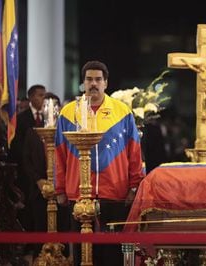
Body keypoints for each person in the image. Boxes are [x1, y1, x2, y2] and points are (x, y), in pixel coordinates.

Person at [55, 60, 144, 266]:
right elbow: (58, 154)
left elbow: (135, 153)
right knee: (81, 254)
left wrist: (134, 186)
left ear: (106, 83)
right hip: (78, 195)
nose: (93, 83)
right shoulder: (68, 113)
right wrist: (60, 188)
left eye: (97, 79)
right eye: (89, 79)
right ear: (83, 83)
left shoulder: (122, 112)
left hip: (114, 194)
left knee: (112, 255)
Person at [21, 92, 70, 259]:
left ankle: (62, 259)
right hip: (39, 189)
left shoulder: (67, 133)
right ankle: (40, 259)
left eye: (55, 106)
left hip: (62, 189)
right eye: (48, 106)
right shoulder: (33, 132)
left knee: (63, 227)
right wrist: (38, 180)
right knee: (40, 228)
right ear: (43, 109)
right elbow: (26, 160)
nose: (52, 110)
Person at [8, 84, 46, 259]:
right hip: (26, 174)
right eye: (39, 95)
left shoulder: (48, 117)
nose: (43, 99)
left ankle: (42, 248)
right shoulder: (21, 118)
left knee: (41, 215)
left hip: (44, 175)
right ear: (31, 97)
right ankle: (28, 246)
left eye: (44, 95)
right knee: (28, 212)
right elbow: (19, 149)